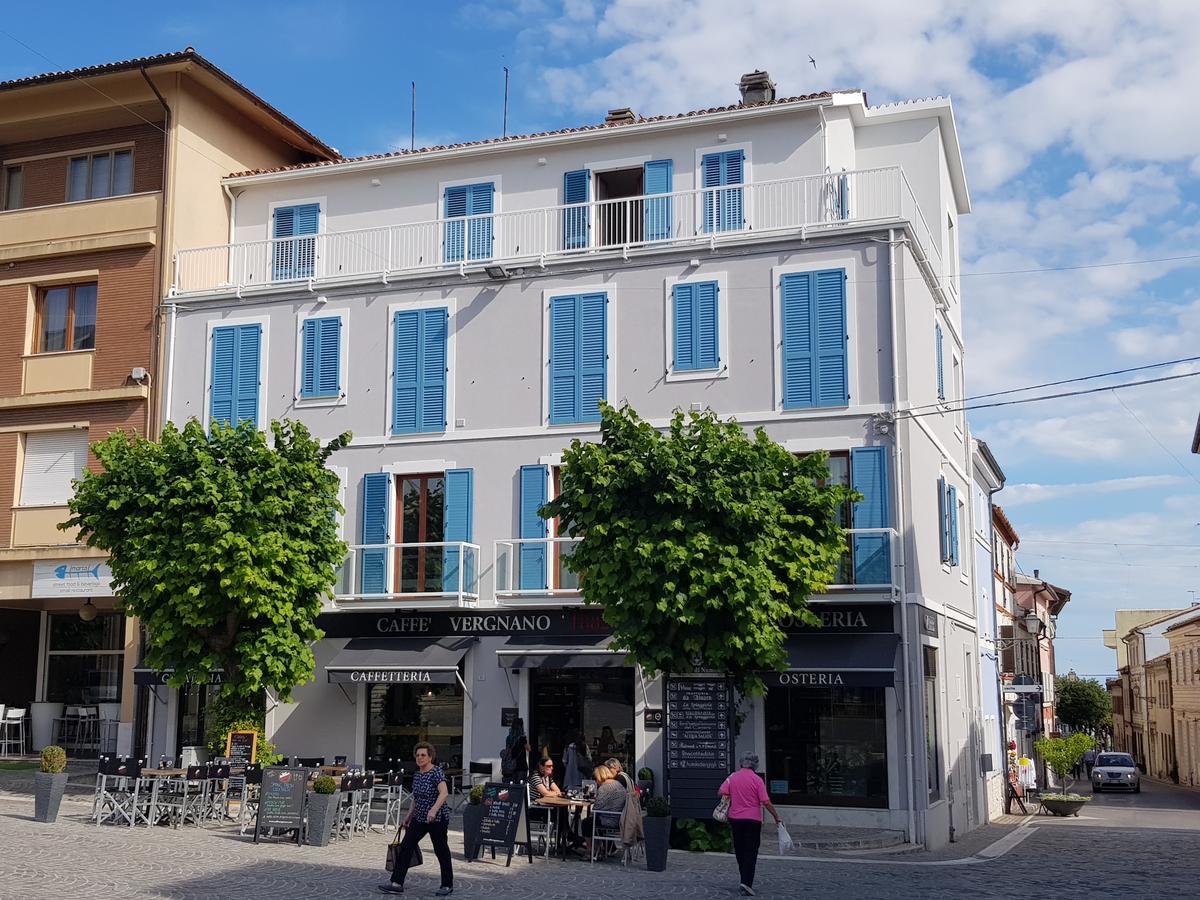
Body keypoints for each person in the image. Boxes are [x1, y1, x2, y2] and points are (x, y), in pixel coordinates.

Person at [379, 742, 453, 896]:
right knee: (406, 846)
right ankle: (397, 882)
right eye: (418, 755)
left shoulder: (436, 772)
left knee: (441, 850)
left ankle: (447, 884)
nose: (420, 758)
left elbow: (444, 793)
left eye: (423, 755)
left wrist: (433, 810)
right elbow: (415, 798)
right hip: (419, 818)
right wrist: (408, 816)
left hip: (437, 818)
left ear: (430, 757)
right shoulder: (418, 775)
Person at [718, 752, 782, 897]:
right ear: (755, 764)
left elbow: (721, 791)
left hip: (735, 819)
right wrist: (776, 816)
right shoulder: (757, 780)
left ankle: (743, 879)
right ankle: (746, 882)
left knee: (740, 850)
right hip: (753, 820)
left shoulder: (732, 777)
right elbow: (766, 802)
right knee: (751, 851)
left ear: (741, 763)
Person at [581, 764, 626, 855]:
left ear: (600, 776)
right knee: (594, 820)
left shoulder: (604, 788)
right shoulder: (618, 784)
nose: (595, 781)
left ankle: (590, 850)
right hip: (619, 818)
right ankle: (605, 848)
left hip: (609, 820)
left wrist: (591, 814)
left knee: (586, 823)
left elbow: (597, 807)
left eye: (595, 778)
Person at [501, 718, 531, 783]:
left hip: (511, 767)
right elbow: (529, 749)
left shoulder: (508, 738)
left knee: (513, 787)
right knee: (521, 787)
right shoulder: (522, 738)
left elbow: (507, 751)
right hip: (521, 766)